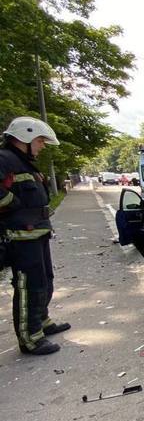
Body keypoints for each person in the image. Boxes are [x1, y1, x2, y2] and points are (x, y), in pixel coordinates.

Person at [0, 117, 71, 355]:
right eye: (40, 140)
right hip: (20, 235)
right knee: (28, 286)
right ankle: (30, 338)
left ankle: (42, 321)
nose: (42, 146)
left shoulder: (24, 162)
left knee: (44, 280)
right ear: (24, 138)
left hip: (36, 232)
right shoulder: (5, 159)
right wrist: (14, 204)